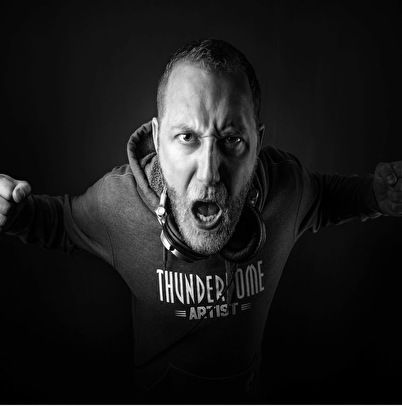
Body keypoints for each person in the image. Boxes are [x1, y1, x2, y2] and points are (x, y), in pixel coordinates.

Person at [0, 38, 401, 403]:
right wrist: (13, 210)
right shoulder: (118, 203)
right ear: (157, 139)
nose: (209, 173)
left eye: (232, 140)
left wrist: (374, 195)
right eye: (187, 137)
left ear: (257, 143)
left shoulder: (287, 189)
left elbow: (327, 198)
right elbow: (58, 221)